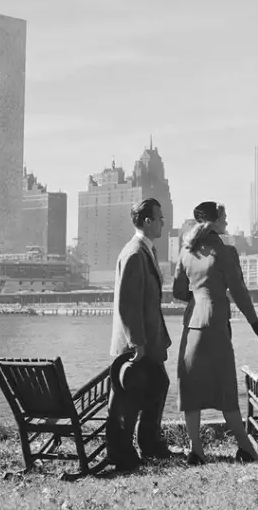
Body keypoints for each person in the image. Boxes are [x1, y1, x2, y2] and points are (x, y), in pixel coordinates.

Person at [173, 201, 258, 464]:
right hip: (215, 324)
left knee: (190, 387)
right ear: (214, 221)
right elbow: (239, 291)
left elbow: (177, 291)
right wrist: (255, 323)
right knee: (225, 388)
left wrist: (197, 297)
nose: (226, 220)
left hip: (191, 324)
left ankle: (196, 450)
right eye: (224, 216)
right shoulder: (226, 252)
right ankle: (246, 448)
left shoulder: (186, 251)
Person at [107, 197, 174, 471]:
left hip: (148, 339)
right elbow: (127, 303)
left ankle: (148, 443)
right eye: (159, 218)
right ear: (147, 221)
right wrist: (137, 344)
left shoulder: (145, 250)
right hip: (138, 344)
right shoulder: (135, 253)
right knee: (128, 398)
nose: (162, 223)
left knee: (157, 385)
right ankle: (123, 452)